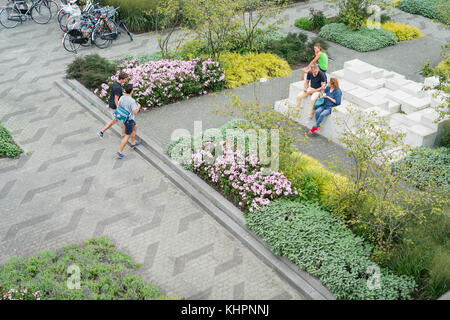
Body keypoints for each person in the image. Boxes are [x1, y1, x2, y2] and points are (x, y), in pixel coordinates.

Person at [98, 71, 128, 138]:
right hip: (115, 107)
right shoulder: (118, 87)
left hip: (112, 105)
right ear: (122, 79)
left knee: (116, 121)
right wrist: (118, 108)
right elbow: (116, 99)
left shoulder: (115, 83)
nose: (126, 80)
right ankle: (123, 135)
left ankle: (102, 132)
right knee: (122, 120)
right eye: (126, 79)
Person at [116, 84, 142, 159]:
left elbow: (119, 106)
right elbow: (135, 112)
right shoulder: (132, 101)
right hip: (129, 120)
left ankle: (133, 143)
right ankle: (119, 151)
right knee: (127, 136)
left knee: (135, 126)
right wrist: (138, 107)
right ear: (132, 91)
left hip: (124, 118)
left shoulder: (122, 97)